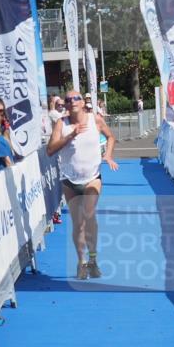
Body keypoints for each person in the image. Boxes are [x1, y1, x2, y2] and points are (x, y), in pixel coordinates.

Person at [46, 88, 118, 280]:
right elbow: (50, 150)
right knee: (78, 224)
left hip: (93, 177)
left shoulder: (95, 119)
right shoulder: (62, 124)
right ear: (66, 105)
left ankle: (93, 259)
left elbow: (111, 137)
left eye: (76, 98)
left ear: (82, 101)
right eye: (68, 100)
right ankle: (82, 262)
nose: (72, 101)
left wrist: (108, 155)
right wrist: (70, 136)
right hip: (70, 180)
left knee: (89, 216)